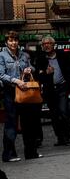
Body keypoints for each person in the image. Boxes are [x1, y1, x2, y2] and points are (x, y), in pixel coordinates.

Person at [0, 31, 40, 161]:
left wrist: (29, 70)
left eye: (15, 40)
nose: (13, 43)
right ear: (6, 42)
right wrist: (16, 81)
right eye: (11, 40)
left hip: (25, 93)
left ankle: (31, 152)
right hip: (10, 93)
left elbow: (31, 67)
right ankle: (9, 154)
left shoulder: (24, 55)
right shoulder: (1, 56)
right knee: (11, 123)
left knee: (28, 123)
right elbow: (1, 75)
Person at [33, 35, 70, 146]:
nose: (46, 45)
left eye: (49, 43)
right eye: (44, 44)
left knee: (63, 112)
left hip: (62, 88)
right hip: (50, 90)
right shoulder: (40, 59)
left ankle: (67, 136)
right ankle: (60, 138)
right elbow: (37, 76)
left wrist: (69, 83)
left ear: (53, 44)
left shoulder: (63, 56)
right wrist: (45, 73)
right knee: (54, 115)